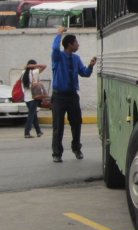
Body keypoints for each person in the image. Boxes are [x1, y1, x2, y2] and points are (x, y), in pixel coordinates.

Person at [51, 26, 96, 163]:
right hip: (59, 96)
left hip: (72, 96)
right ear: (70, 45)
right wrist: (59, 34)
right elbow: (54, 48)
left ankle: (76, 148)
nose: (78, 45)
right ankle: (57, 153)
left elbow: (84, 73)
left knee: (77, 123)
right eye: (76, 42)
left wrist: (90, 66)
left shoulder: (76, 58)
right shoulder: (58, 57)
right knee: (58, 126)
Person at [22, 59, 47, 139]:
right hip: (34, 97)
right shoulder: (35, 72)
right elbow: (44, 66)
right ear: (33, 66)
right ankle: (27, 132)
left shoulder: (23, 73)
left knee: (34, 115)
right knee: (31, 115)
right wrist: (35, 66)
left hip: (26, 98)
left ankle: (38, 131)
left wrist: (29, 66)